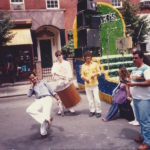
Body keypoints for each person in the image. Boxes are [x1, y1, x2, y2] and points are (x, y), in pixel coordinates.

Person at [127, 50, 150, 150]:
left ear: (142, 58)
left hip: (144, 99)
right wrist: (128, 81)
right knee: (140, 120)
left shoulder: (147, 69)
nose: (134, 60)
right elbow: (133, 80)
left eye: (136, 58)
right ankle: (143, 136)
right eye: (133, 58)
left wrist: (134, 84)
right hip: (136, 99)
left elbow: (148, 82)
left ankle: (147, 143)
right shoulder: (135, 69)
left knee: (145, 121)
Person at [26, 72, 60, 137]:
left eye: (33, 77)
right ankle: (47, 118)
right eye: (31, 79)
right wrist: (31, 86)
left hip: (47, 98)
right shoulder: (33, 87)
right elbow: (29, 95)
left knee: (43, 132)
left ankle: (44, 129)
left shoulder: (43, 82)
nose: (33, 79)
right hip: (38, 100)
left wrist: (58, 99)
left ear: (36, 76)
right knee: (29, 110)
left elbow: (51, 91)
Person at [51, 50, 75, 115]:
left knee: (68, 95)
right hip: (60, 81)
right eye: (57, 56)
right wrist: (56, 76)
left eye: (60, 55)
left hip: (67, 80)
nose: (59, 57)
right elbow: (53, 73)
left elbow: (70, 72)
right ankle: (61, 108)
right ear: (56, 57)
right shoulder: (55, 64)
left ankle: (70, 107)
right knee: (61, 96)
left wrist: (68, 79)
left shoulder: (67, 63)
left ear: (62, 55)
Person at [81, 51, 102, 118]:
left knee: (97, 98)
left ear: (91, 58)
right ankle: (92, 111)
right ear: (85, 58)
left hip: (95, 84)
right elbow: (82, 75)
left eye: (89, 58)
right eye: (87, 58)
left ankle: (98, 111)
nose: (88, 59)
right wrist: (85, 79)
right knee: (90, 99)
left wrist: (94, 74)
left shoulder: (95, 64)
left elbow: (99, 72)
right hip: (87, 85)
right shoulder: (83, 66)